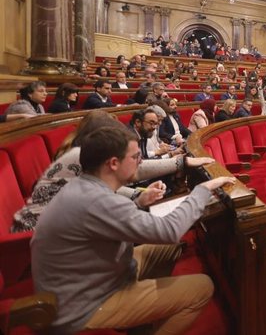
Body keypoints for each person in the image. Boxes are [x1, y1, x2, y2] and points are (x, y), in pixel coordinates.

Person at [31, 125, 233, 334]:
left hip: (89, 277)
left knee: (169, 248)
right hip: (83, 306)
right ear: (114, 164)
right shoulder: (97, 200)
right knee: (202, 287)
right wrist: (202, 190)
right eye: (136, 157)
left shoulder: (87, 184)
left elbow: (107, 222)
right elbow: (169, 230)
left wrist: (138, 202)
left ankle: (144, 318)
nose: (140, 162)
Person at [12, 110, 214, 232]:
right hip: (45, 236)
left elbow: (105, 187)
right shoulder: (79, 156)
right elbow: (136, 170)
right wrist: (182, 163)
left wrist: (137, 195)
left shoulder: (81, 151)